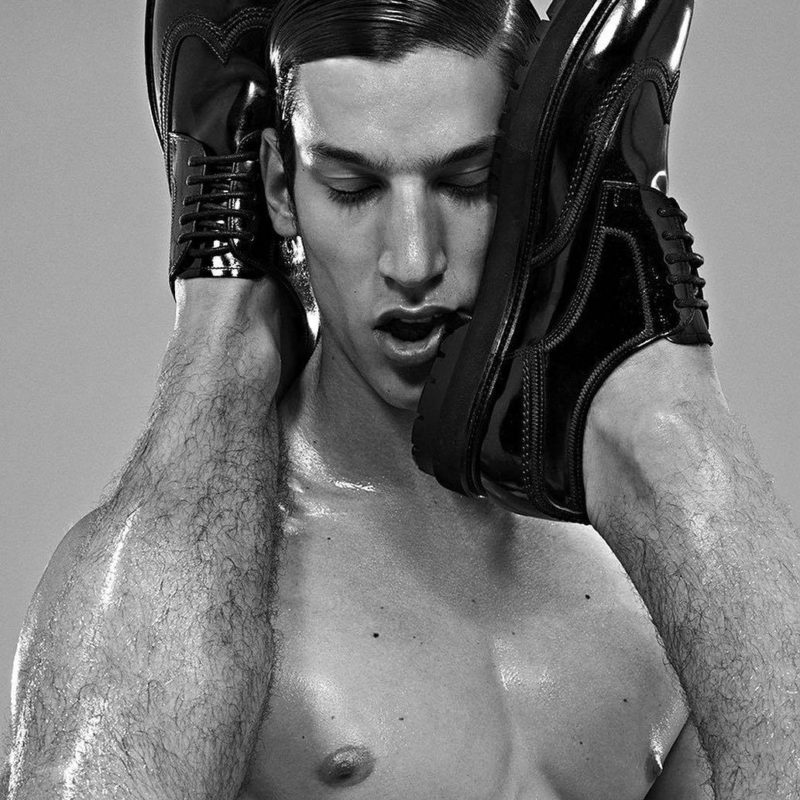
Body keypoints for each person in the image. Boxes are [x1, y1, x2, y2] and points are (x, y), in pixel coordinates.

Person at [3, 1, 797, 799]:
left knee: (670, 452)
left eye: (467, 182)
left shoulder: (667, 568)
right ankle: (228, 321)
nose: (413, 260)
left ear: (540, 189)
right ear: (279, 187)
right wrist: (228, 345)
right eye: (352, 188)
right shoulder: (173, 585)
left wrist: (665, 427)